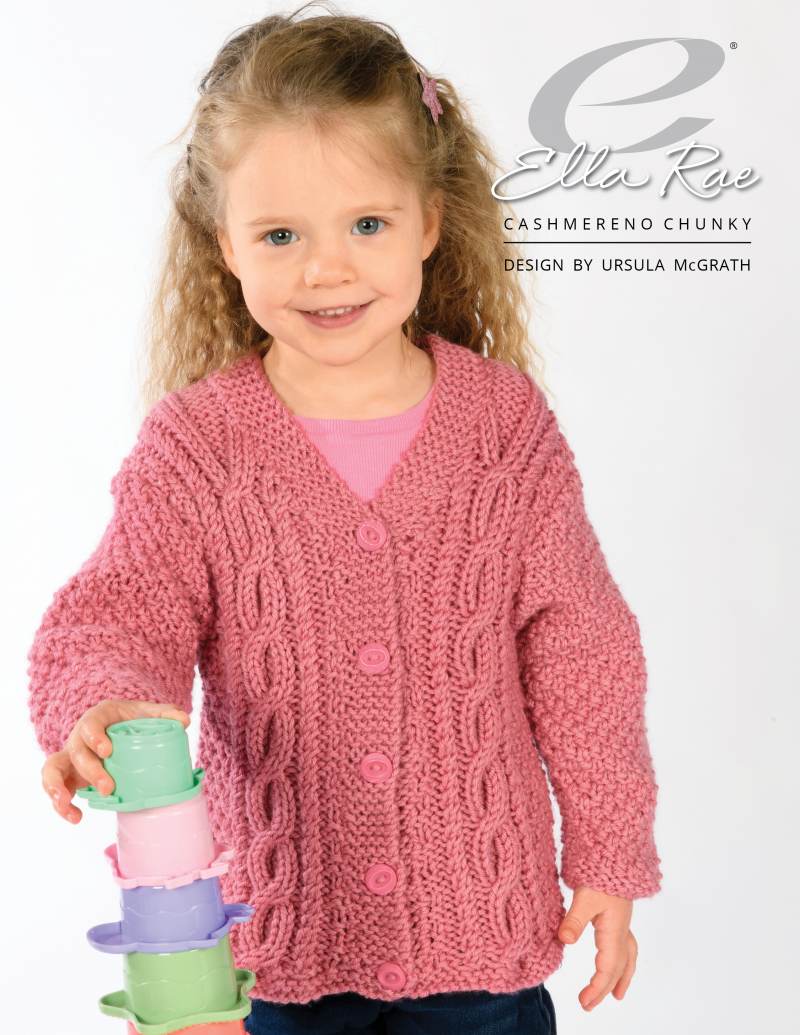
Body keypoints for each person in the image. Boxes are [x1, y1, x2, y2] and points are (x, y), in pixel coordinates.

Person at [27, 4, 663, 1034]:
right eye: (281, 235)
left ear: (428, 222)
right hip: (271, 944)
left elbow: (581, 649)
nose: (326, 268)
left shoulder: (501, 428)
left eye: (367, 224)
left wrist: (608, 849)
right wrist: (104, 702)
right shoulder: (200, 445)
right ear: (225, 246)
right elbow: (121, 610)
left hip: (477, 935)